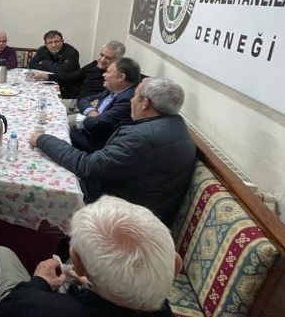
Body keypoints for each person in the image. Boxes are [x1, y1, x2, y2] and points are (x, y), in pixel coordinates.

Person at [29, 77, 195, 227]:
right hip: (141, 204)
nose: (131, 101)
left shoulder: (140, 138)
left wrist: (43, 140)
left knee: (38, 182)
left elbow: (88, 167)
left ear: (144, 103)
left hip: (124, 216)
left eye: (134, 96)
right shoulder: (176, 125)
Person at [0, 196, 180, 317]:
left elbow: (14, 307)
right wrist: (95, 284)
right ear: (174, 264)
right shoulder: (163, 310)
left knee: (2, 253)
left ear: (78, 264)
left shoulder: (33, 305)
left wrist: (39, 282)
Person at [69, 58, 141, 152]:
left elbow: (95, 124)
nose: (103, 74)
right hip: (89, 129)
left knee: (59, 129)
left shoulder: (127, 99)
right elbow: (84, 100)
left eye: (108, 72)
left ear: (121, 77)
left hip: (96, 142)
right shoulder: (113, 89)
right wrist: (92, 111)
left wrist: (94, 116)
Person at [29, 30, 82, 106]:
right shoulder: (42, 50)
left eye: (56, 41)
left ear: (62, 41)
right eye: (50, 42)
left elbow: (61, 72)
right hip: (46, 85)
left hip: (67, 90)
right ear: (45, 44)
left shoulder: (72, 52)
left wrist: (45, 63)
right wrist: (55, 68)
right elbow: (32, 65)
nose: (53, 45)